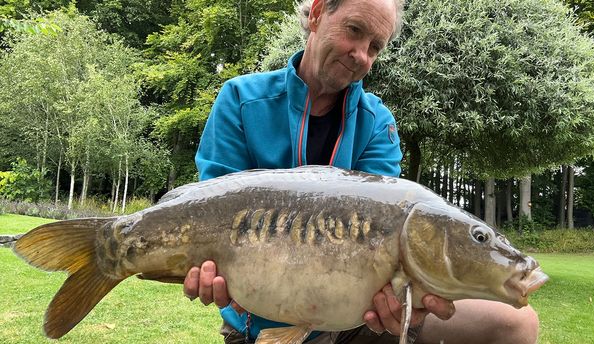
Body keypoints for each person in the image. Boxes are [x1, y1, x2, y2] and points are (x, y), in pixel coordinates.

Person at [183, 0, 541, 343]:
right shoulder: (241, 99)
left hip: (359, 318)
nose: (361, 55)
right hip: (257, 314)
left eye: (375, 47)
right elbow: (209, 212)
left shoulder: (377, 123)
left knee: (517, 323)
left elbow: (385, 231)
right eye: (354, 31)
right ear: (318, 13)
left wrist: (403, 304)